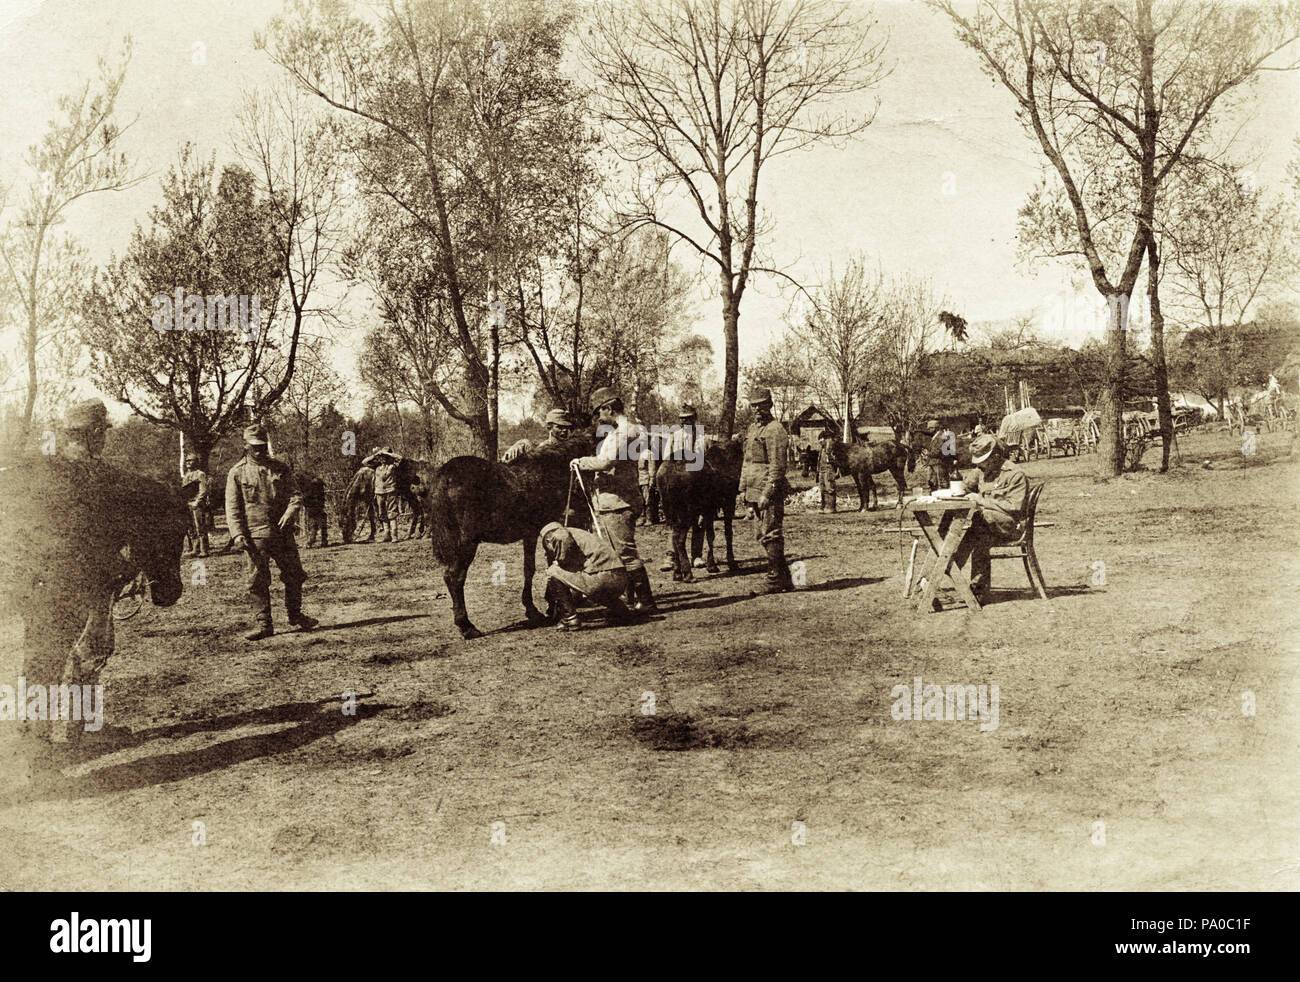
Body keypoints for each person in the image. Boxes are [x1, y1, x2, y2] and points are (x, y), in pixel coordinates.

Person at [225, 423, 318, 641]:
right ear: (246, 446)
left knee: (295, 575)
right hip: (255, 535)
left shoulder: (280, 468)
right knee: (257, 580)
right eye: (254, 446)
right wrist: (237, 534)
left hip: (282, 534)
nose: (259, 450)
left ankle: (295, 615)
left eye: (262, 446)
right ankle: (264, 624)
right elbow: (232, 507)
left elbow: (296, 495)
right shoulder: (237, 472)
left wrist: (290, 512)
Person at [572, 387, 657, 613]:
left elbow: (606, 462)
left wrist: (580, 462)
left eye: (599, 412)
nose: (599, 419)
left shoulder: (624, 433)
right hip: (615, 501)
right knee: (618, 553)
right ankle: (633, 598)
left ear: (609, 409)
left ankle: (646, 601)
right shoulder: (626, 430)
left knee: (625, 554)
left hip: (618, 502)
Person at [948, 433, 1030, 603]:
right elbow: (965, 487)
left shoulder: (1015, 474)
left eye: (983, 460)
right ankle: (959, 573)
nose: (980, 465)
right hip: (988, 526)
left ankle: (953, 567)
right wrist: (958, 486)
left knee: (979, 526)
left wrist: (981, 500)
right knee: (979, 531)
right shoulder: (981, 471)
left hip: (1011, 527)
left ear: (996, 457)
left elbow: (1014, 507)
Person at [538, 521, 639, 630]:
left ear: (548, 539)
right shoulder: (578, 534)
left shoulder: (557, 534)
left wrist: (558, 562)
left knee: (553, 571)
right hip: (619, 578)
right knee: (592, 585)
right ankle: (621, 612)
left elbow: (562, 542)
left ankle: (570, 618)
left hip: (602, 577)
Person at [740, 388, 793, 593]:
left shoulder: (775, 430)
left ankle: (774, 579)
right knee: (761, 534)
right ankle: (784, 578)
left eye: (761, 405)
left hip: (768, 490)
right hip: (754, 489)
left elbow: (777, 466)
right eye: (753, 405)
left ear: (769, 405)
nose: (756, 409)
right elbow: (747, 462)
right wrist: (743, 490)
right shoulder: (753, 429)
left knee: (770, 533)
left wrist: (767, 492)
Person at [502, 408, 577, 463]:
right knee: (523, 443)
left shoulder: (571, 449)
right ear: (549, 427)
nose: (564, 430)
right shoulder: (541, 448)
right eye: (559, 427)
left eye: (566, 427)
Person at [181, 452, 211, 557]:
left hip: (198, 504)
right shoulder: (186, 475)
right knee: (191, 528)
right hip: (188, 503)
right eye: (187, 461)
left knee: (200, 527)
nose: (188, 462)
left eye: (191, 460)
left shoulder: (200, 474)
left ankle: (204, 550)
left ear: (196, 462)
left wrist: (197, 502)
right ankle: (195, 549)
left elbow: (203, 490)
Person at [371, 449, 400, 543]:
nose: (382, 459)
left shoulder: (392, 466)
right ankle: (386, 535)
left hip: (390, 491)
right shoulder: (377, 468)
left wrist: (387, 453)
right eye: (381, 458)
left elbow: (400, 458)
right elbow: (364, 462)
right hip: (379, 492)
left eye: (384, 457)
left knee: (392, 513)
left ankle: (394, 536)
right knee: (382, 514)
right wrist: (375, 455)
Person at [922, 418, 956, 492]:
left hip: (939, 462)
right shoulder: (935, 436)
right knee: (932, 482)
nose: (929, 430)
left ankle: (944, 495)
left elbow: (939, 451)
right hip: (933, 462)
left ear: (935, 428)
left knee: (942, 482)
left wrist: (928, 453)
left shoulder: (941, 436)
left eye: (930, 428)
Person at [301, 473, 329, 548]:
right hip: (318, 506)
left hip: (313, 506)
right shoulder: (318, 485)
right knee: (321, 523)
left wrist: (305, 502)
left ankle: (312, 540)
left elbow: (306, 497)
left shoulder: (310, 486)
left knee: (313, 523)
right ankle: (323, 540)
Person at [817, 428, 838, 513]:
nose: (820, 441)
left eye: (821, 439)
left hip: (828, 470)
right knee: (823, 489)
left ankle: (831, 507)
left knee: (829, 488)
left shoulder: (830, 448)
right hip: (821, 470)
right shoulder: (822, 449)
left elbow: (833, 460)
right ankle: (824, 506)